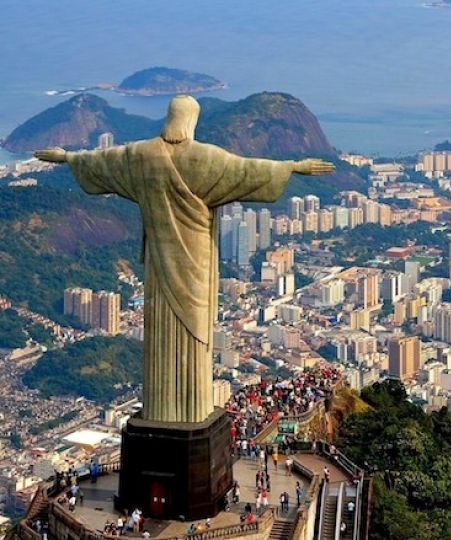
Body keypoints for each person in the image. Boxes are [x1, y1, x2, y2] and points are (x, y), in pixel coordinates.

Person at [34, 95, 334, 424]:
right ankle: (192, 410)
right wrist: (292, 167)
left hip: (158, 263)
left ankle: (162, 410)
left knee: (161, 331)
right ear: (191, 121)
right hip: (195, 264)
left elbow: (101, 161)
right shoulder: (206, 158)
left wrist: (66, 157)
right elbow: (248, 170)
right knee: (194, 333)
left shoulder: (141, 155)